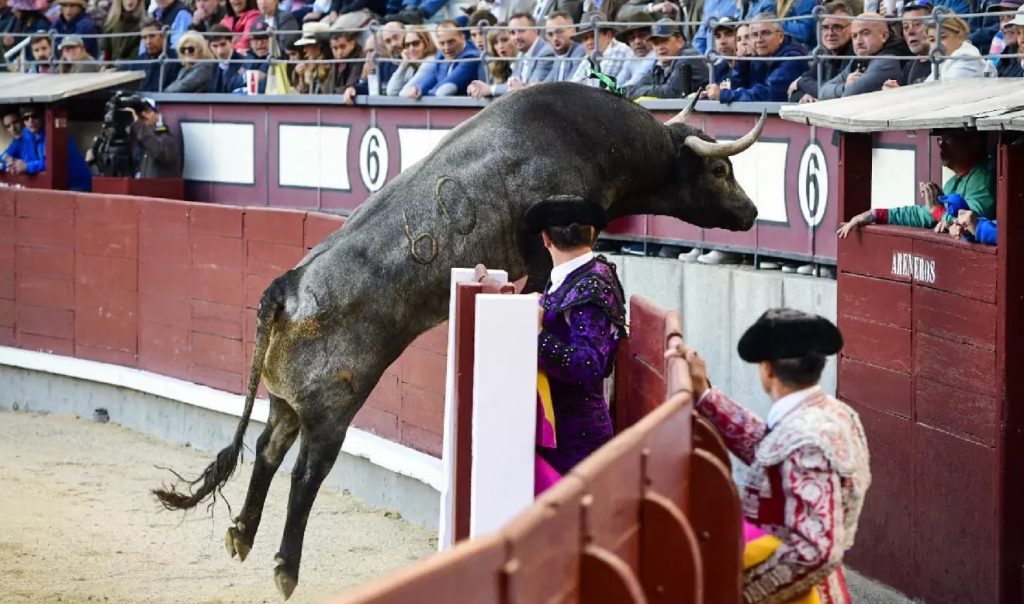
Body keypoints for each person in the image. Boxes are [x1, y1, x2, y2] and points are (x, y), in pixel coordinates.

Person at [669, 308, 870, 604]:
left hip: (802, 596)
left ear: (767, 369)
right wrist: (705, 395)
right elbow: (771, 447)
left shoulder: (805, 439)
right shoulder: (835, 413)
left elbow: (815, 550)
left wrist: (742, 592)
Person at [525, 195, 626, 490]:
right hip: (568, 431)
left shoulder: (589, 286)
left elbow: (588, 365)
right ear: (592, 233)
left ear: (545, 239)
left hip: (575, 441)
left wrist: (537, 335)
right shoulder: (585, 274)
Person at [838, 130, 996, 236]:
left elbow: (970, 225)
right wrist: (874, 214)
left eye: (949, 139)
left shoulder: (983, 177)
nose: (942, 145)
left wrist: (937, 210)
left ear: (974, 142)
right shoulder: (953, 182)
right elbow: (923, 214)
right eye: (940, 140)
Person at [704, 14, 808, 103]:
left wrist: (724, 95)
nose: (759, 39)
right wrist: (742, 63)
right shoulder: (757, 56)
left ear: (780, 36)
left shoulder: (793, 58)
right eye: (754, 35)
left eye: (765, 33)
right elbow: (737, 88)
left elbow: (766, 94)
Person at [4, 106, 92, 192]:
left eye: (34, 116)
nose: (31, 121)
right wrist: (9, 162)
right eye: (26, 118)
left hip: (76, 185)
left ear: (43, 117)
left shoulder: (56, 134)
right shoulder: (25, 135)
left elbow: (52, 163)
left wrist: (27, 166)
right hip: (55, 187)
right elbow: (4, 156)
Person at [818, 13, 904, 99]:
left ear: (884, 36)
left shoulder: (888, 61)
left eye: (865, 33)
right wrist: (844, 86)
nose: (858, 42)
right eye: (854, 36)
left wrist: (846, 88)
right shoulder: (859, 60)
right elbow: (822, 91)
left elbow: (850, 95)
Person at [623, 17, 706, 98]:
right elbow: (638, 86)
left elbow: (671, 92)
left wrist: (635, 91)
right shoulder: (660, 63)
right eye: (656, 43)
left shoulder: (689, 58)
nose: (660, 47)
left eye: (664, 41)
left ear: (680, 41)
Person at [788, 1, 854, 103]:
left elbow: (837, 93)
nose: (830, 33)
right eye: (825, 27)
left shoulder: (855, 53)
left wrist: (802, 82)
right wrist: (806, 94)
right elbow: (793, 93)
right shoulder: (825, 54)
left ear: (852, 27)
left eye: (837, 27)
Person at [402, 20, 481, 97]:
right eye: (442, 43)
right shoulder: (440, 55)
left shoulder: (471, 57)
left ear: (462, 37)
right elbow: (432, 77)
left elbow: (443, 90)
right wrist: (418, 89)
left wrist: (424, 96)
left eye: (451, 42)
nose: (447, 48)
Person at [569, 11, 633, 89]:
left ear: (609, 36)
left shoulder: (619, 51)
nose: (589, 42)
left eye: (593, 36)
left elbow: (600, 88)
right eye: (585, 39)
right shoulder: (591, 56)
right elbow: (573, 84)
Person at [924, 15, 993, 81]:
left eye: (943, 37)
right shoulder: (939, 60)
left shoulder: (967, 58)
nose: (937, 45)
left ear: (960, 36)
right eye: (932, 40)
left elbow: (948, 90)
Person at [883, 0, 933, 88]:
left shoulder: (944, 63)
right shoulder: (909, 67)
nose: (910, 32)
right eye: (905, 27)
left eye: (917, 24)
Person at [128, 98, 182, 177]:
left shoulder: (166, 138)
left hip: (156, 187)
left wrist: (139, 126)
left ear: (157, 115)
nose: (142, 115)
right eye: (138, 113)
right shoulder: (133, 136)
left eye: (147, 112)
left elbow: (159, 152)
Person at [133, 17, 181, 92]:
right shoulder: (138, 61)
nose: (148, 41)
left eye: (152, 36)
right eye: (144, 37)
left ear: (163, 36)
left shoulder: (177, 59)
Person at [467, 25, 514, 97]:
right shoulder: (490, 65)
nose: (500, 46)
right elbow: (484, 88)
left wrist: (490, 89)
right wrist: (476, 88)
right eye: (495, 43)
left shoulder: (524, 62)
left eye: (505, 40)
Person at [387, 24, 435, 95]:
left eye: (416, 43)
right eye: (407, 45)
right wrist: (403, 65)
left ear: (426, 43)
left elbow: (403, 94)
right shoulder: (411, 65)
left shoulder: (430, 62)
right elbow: (391, 92)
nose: (411, 49)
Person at [613, 12, 656, 88]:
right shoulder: (632, 58)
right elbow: (619, 80)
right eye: (632, 38)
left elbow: (636, 82)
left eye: (642, 35)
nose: (637, 41)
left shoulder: (655, 55)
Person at [542, 10, 585, 82]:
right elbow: (547, 83)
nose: (555, 38)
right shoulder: (559, 56)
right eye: (550, 34)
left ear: (573, 31)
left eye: (559, 32)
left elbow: (571, 85)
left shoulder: (580, 51)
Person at [207, 24, 247, 92]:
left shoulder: (243, 62)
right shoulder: (209, 66)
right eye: (215, 46)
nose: (220, 51)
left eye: (223, 44)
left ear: (231, 42)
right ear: (210, 47)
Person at [709, 16, 739, 85]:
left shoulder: (751, 68)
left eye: (729, 34)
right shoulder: (718, 69)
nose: (722, 42)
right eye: (718, 37)